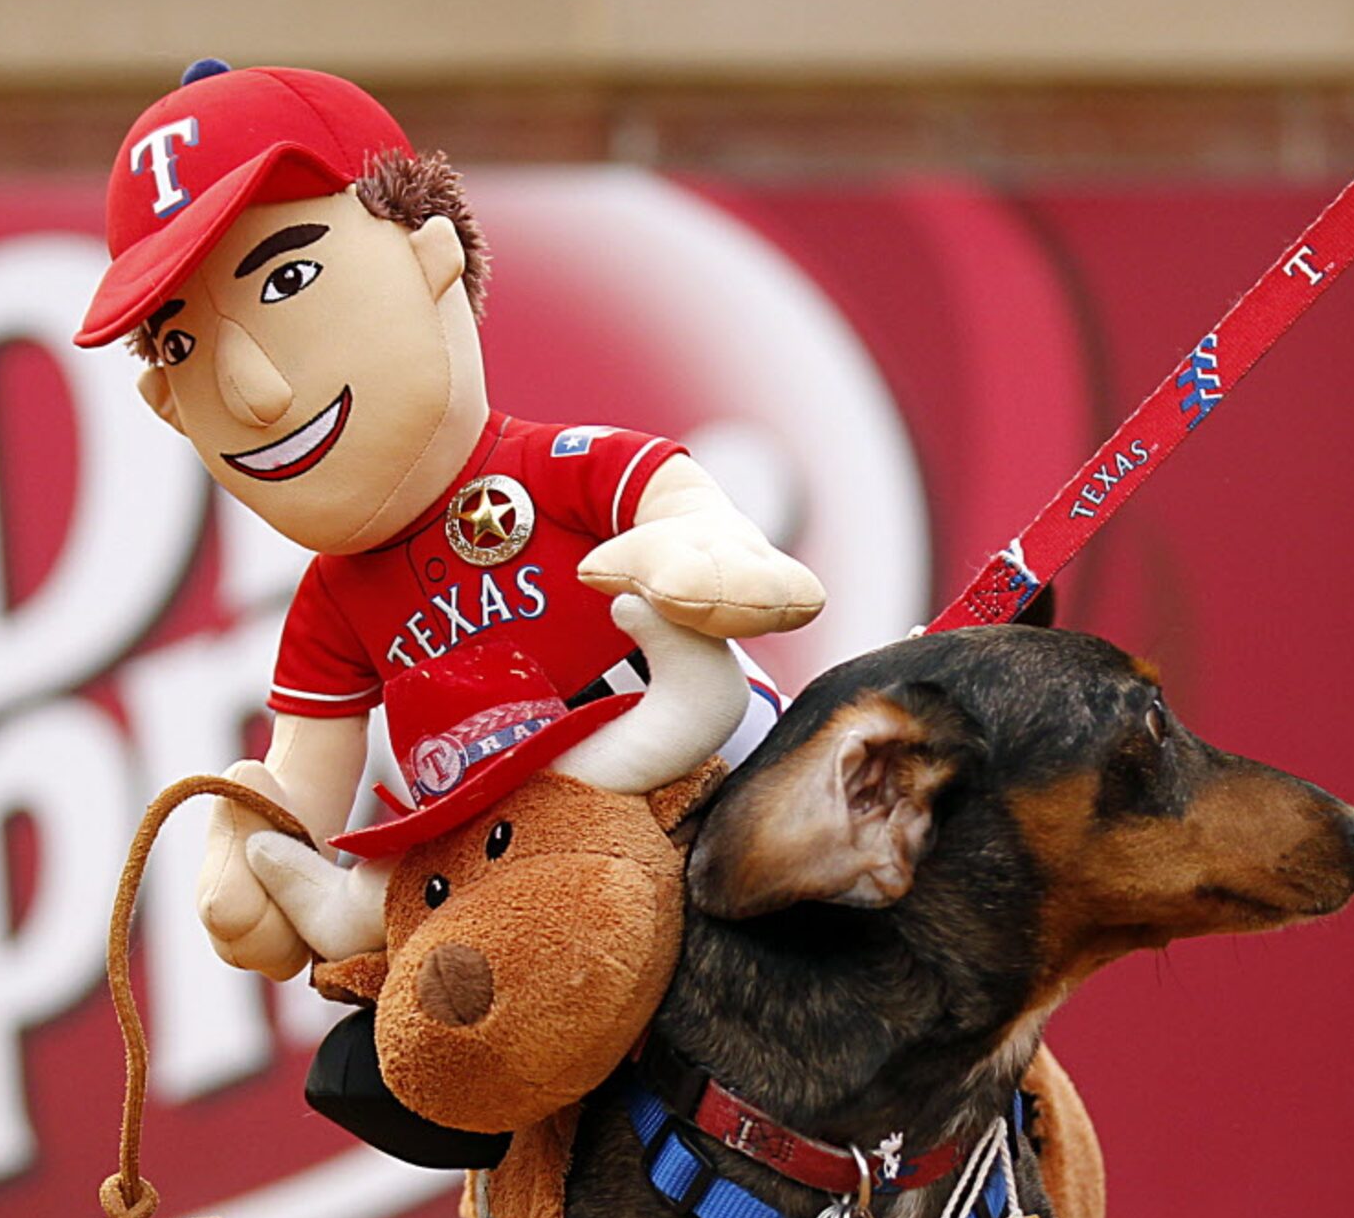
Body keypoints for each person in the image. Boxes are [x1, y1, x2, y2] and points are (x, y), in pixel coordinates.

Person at [76, 59, 821, 990]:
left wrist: (704, 554)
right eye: (182, 346)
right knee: (400, 1066)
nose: (250, 392)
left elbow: (675, 506)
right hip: (504, 877)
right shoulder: (333, 609)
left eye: (290, 278)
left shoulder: (550, 468)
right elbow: (307, 769)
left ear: (431, 257)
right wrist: (262, 845)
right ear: (165, 405)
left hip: (696, 797)